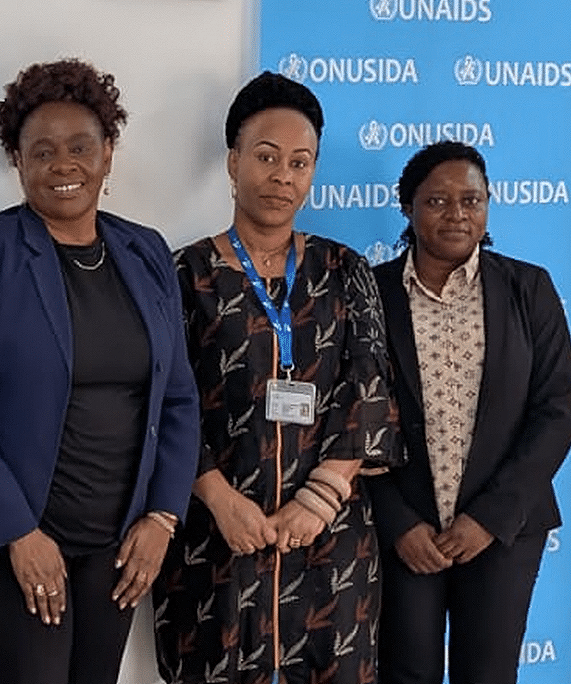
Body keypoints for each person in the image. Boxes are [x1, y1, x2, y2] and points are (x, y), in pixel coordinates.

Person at [0, 58, 200, 684]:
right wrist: (19, 532)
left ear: (109, 154)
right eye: (41, 151)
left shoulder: (144, 251)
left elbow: (177, 397)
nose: (62, 165)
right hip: (11, 536)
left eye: (80, 147)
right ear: (18, 161)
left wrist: (161, 517)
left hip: (115, 544)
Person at [151, 71, 400, 684]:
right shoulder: (182, 273)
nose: (282, 176)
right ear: (234, 162)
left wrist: (320, 498)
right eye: (266, 157)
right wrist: (218, 498)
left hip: (331, 545)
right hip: (217, 541)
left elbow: (369, 383)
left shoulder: (345, 269)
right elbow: (164, 399)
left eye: (300, 162)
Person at [368, 141, 571, 684]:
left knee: (488, 674)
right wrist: (397, 523)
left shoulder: (528, 288)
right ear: (408, 207)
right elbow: (355, 417)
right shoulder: (373, 293)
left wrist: (489, 517)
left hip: (502, 530)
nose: (457, 214)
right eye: (437, 200)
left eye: (472, 199)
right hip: (408, 533)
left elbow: (558, 408)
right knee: (405, 672)